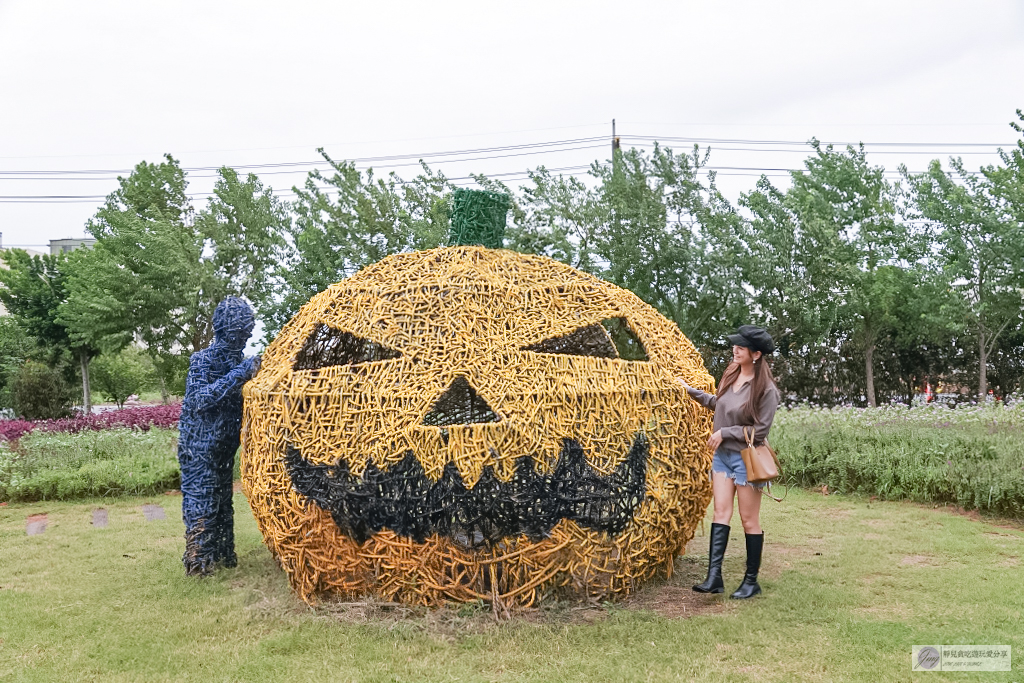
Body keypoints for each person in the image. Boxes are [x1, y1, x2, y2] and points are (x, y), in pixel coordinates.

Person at [678, 325, 780, 599]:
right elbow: (719, 404)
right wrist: (691, 392)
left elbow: (760, 432)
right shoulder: (731, 374)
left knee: (749, 521)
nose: (735, 349)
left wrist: (725, 433)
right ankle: (714, 577)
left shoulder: (766, 390)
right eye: (735, 345)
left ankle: (751, 581)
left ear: (756, 354)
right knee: (720, 513)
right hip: (722, 458)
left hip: (746, 459)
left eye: (741, 347)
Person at [178, 297, 261, 576]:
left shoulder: (243, 364)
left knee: (223, 502)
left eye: (246, 333)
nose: (244, 337)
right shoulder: (202, 361)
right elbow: (201, 398)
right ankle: (199, 561)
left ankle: (224, 555)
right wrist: (242, 373)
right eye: (239, 332)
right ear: (224, 329)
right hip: (198, 449)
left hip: (223, 450)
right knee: (201, 501)